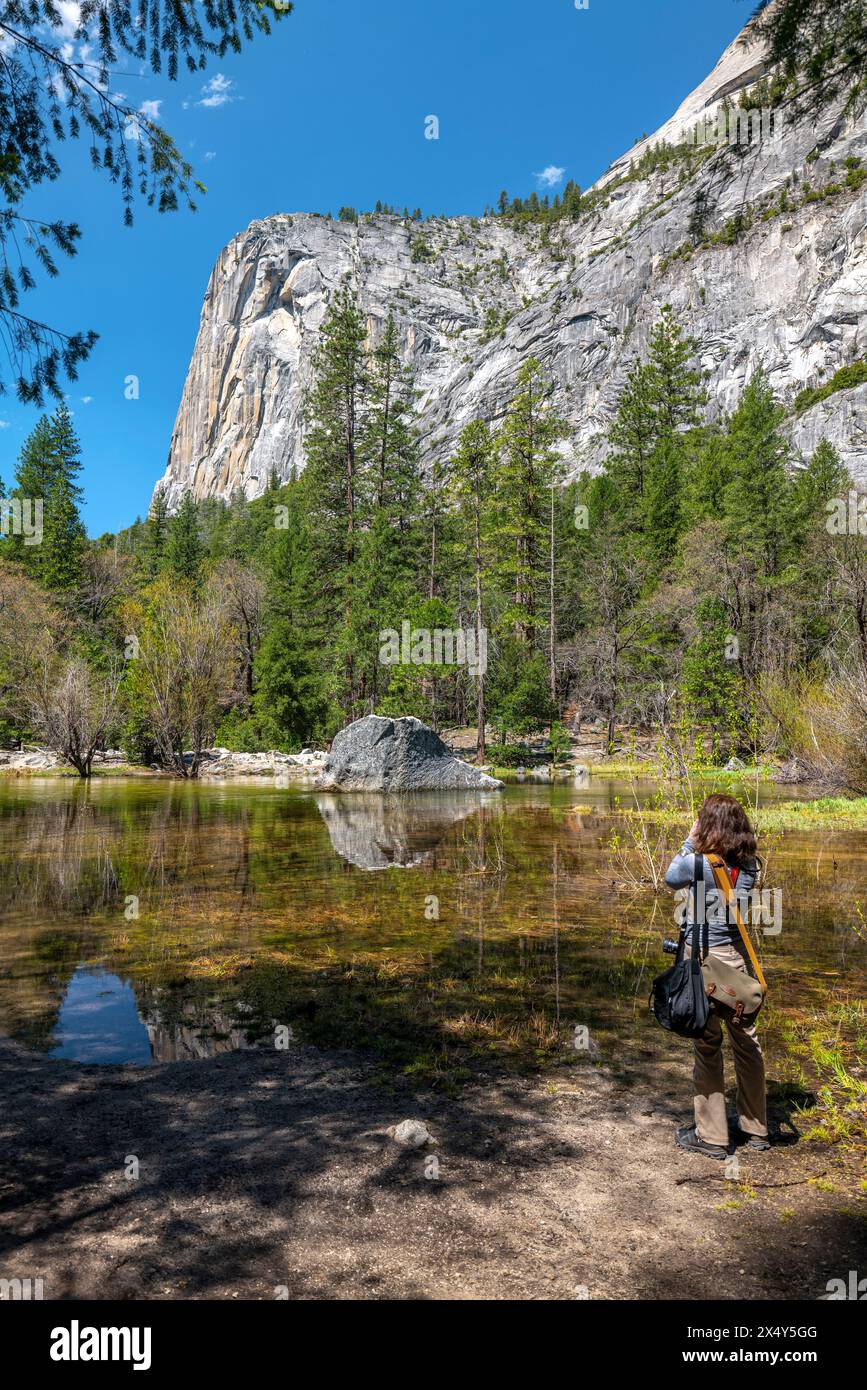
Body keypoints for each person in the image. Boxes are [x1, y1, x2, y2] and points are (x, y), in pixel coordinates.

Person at [664, 793, 770, 1159]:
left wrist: (688, 841)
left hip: (705, 962)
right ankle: (755, 1129)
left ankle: (711, 1137)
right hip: (738, 962)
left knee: (708, 1044)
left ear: (708, 825)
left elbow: (669, 878)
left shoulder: (700, 863)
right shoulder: (751, 863)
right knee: (747, 1044)